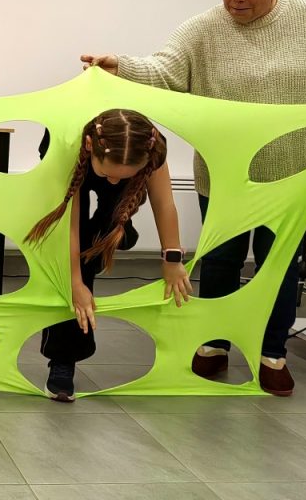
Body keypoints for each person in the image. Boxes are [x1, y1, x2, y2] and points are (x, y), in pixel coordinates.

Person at [80, 0, 306, 396]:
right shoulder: (203, 29)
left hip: (293, 177)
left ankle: (272, 352)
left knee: (278, 266)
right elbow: (164, 69)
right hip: (223, 177)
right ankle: (214, 343)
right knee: (221, 263)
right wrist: (120, 67)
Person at [26, 110, 191, 402]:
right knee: (78, 257)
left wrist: (173, 260)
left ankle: (116, 228)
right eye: (108, 174)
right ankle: (64, 359)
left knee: (102, 234)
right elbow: (70, 225)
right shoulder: (65, 144)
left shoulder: (149, 145)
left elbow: (164, 204)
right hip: (75, 172)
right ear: (90, 146)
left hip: (114, 168)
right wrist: (75, 283)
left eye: (123, 176)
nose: (114, 181)